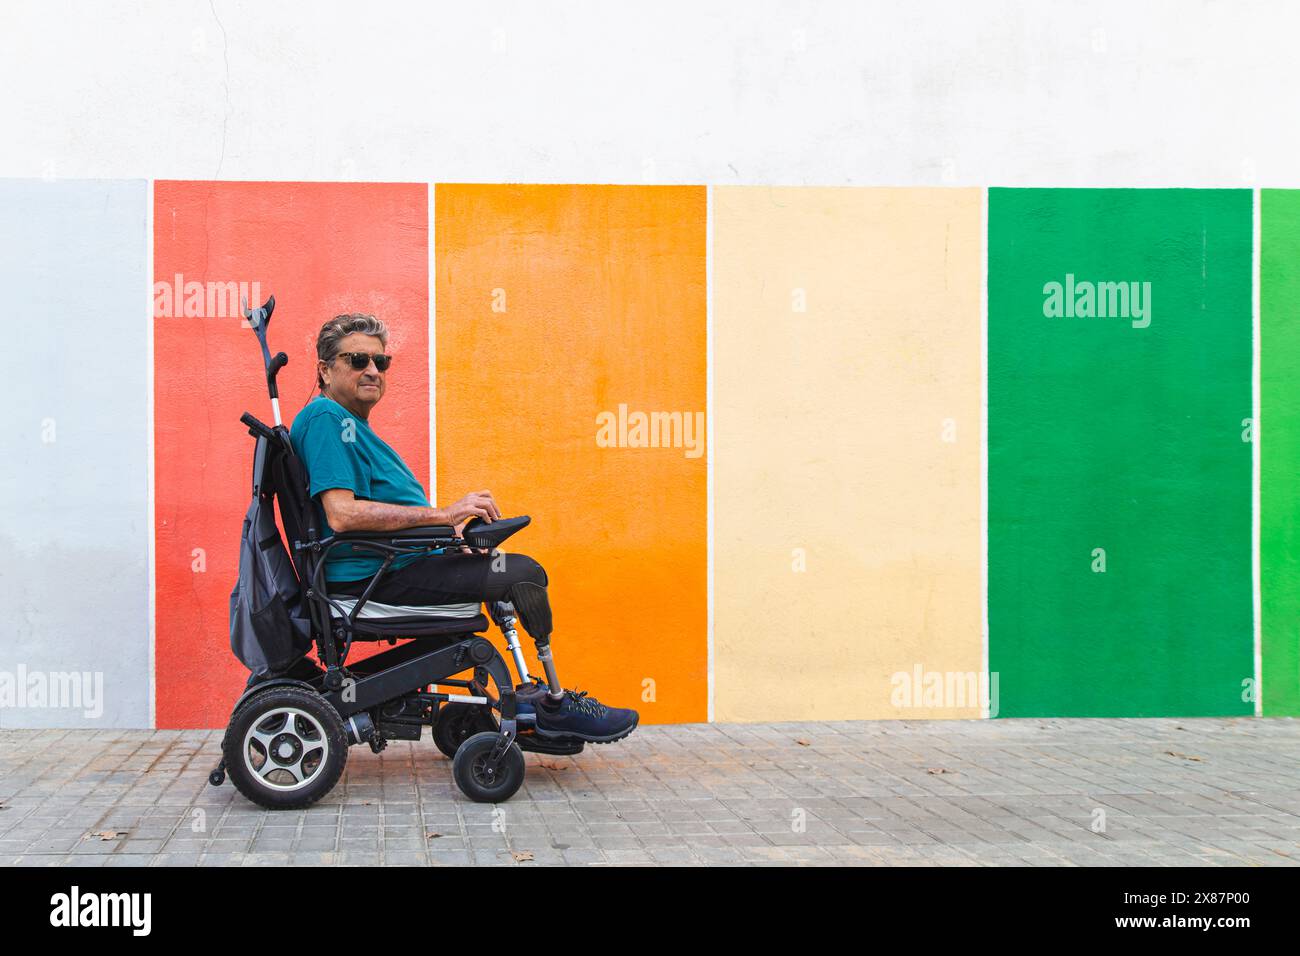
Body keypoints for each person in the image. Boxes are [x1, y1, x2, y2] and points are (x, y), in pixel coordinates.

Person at [288, 312, 637, 743]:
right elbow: (343, 514)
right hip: (372, 581)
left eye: (382, 362)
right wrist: (445, 516)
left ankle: (537, 699)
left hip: (390, 566)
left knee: (495, 566)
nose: (373, 371)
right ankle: (553, 703)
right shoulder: (326, 419)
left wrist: (445, 544)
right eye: (358, 360)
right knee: (522, 573)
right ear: (325, 369)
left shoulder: (345, 423)